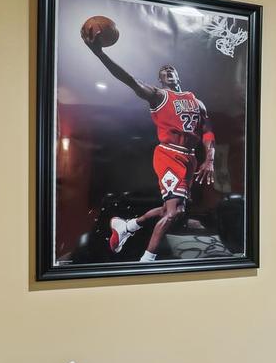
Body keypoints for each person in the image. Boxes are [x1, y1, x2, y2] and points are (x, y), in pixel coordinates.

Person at [83, 35, 215, 262]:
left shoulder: (196, 101)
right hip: (169, 154)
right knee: (174, 212)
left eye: (171, 68)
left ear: (177, 75)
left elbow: (208, 131)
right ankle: (146, 261)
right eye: (163, 71)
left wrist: (210, 158)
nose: (168, 70)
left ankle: (128, 226)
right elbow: (129, 79)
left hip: (190, 158)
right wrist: (100, 54)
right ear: (160, 79)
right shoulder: (158, 95)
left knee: (174, 210)